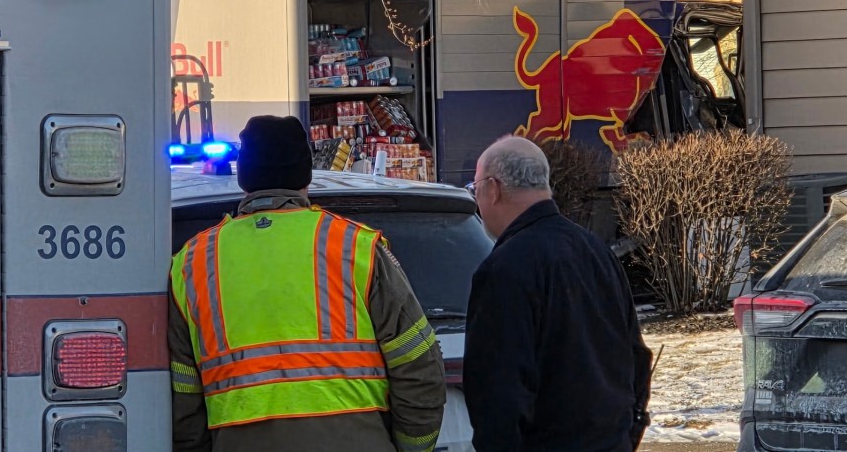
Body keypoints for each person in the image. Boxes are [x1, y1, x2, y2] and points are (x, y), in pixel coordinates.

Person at [169, 115, 446, 452]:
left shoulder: (192, 263)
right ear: (306, 177)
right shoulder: (354, 247)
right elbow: (418, 366)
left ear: (244, 180)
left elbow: (182, 396)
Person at [463, 135, 652, 452]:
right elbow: (635, 357)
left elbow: (499, 395)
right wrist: (628, 432)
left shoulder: (505, 268)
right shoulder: (596, 251)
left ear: (493, 189)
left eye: (475, 188)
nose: (477, 200)